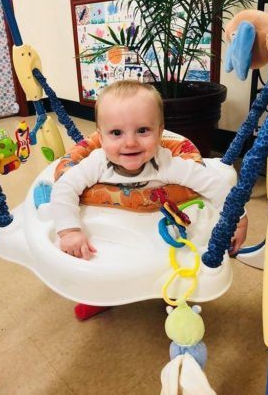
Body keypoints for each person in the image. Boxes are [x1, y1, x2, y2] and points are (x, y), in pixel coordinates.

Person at [51, 80, 248, 319]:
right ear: (100, 138)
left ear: (160, 132)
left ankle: (177, 294)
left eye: (143, 130)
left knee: (182, 257)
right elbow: (64, 188)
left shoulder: (166, 163)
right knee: (93, 263)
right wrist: (69, 231)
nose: (130, 142)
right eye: (116, 133)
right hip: (110, 236)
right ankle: (97, 294)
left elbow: (213, 183)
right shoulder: (96, 162)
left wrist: (237, 220)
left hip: (157, 235)